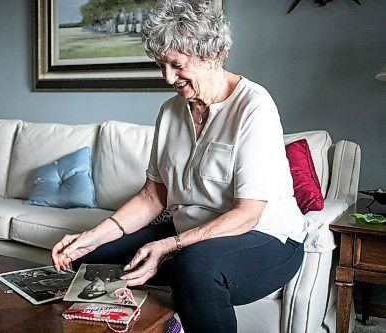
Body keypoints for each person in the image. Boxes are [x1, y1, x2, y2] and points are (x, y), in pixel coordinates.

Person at [52, 0, 306, 331]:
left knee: (197, 268)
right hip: (191, 232)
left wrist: (169, 247)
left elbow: (248, 213)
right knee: (90, 258)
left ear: (211, 55)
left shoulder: (253, 107)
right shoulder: (171, 111)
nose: (167, 77)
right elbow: (152, 196)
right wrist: (93, 235)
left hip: (265, 237)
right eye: (160, 65)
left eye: (176, 64)